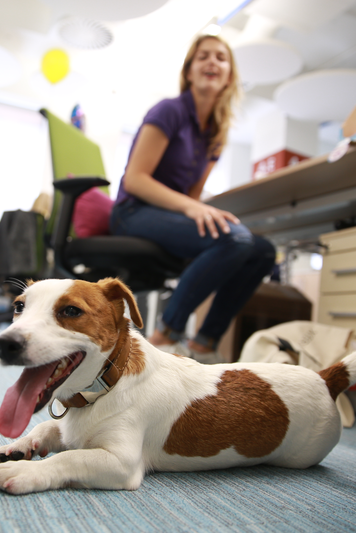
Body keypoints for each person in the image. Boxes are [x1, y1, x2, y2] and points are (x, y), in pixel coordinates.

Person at [109, 34, 276, 363]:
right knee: (236, 240)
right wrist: (193, 208)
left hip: (167, 216)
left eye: (220, 58)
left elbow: (193, 194)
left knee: (262, 251)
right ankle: (164, 337)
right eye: (203, 57)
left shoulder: (216, 134)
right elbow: (135, 179)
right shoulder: (168, 111)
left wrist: (197, 209)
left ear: (229, 76)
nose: (212, 62)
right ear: (189, 72)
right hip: (133, 211)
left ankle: (203, 344)